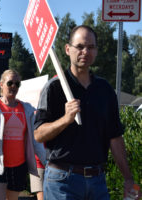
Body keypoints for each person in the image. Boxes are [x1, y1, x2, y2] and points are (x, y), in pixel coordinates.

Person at [34, 25, 141, 200]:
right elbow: (38, 134)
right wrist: (65, 119)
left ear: (96, 51)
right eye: (80, 46)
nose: (85, 51)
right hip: (62, 181)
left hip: (97, 181)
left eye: (91, 47)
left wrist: (128, 179)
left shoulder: (104, 90)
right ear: (68, 49)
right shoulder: (54, 87)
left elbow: (115, 137)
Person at [0, 69, 46, 200]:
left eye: (17, 83)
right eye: (10, 83)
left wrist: (47, 164)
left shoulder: (27, 109)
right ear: (1, 85)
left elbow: (35, 141)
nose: (13, 86)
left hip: (18, 167)